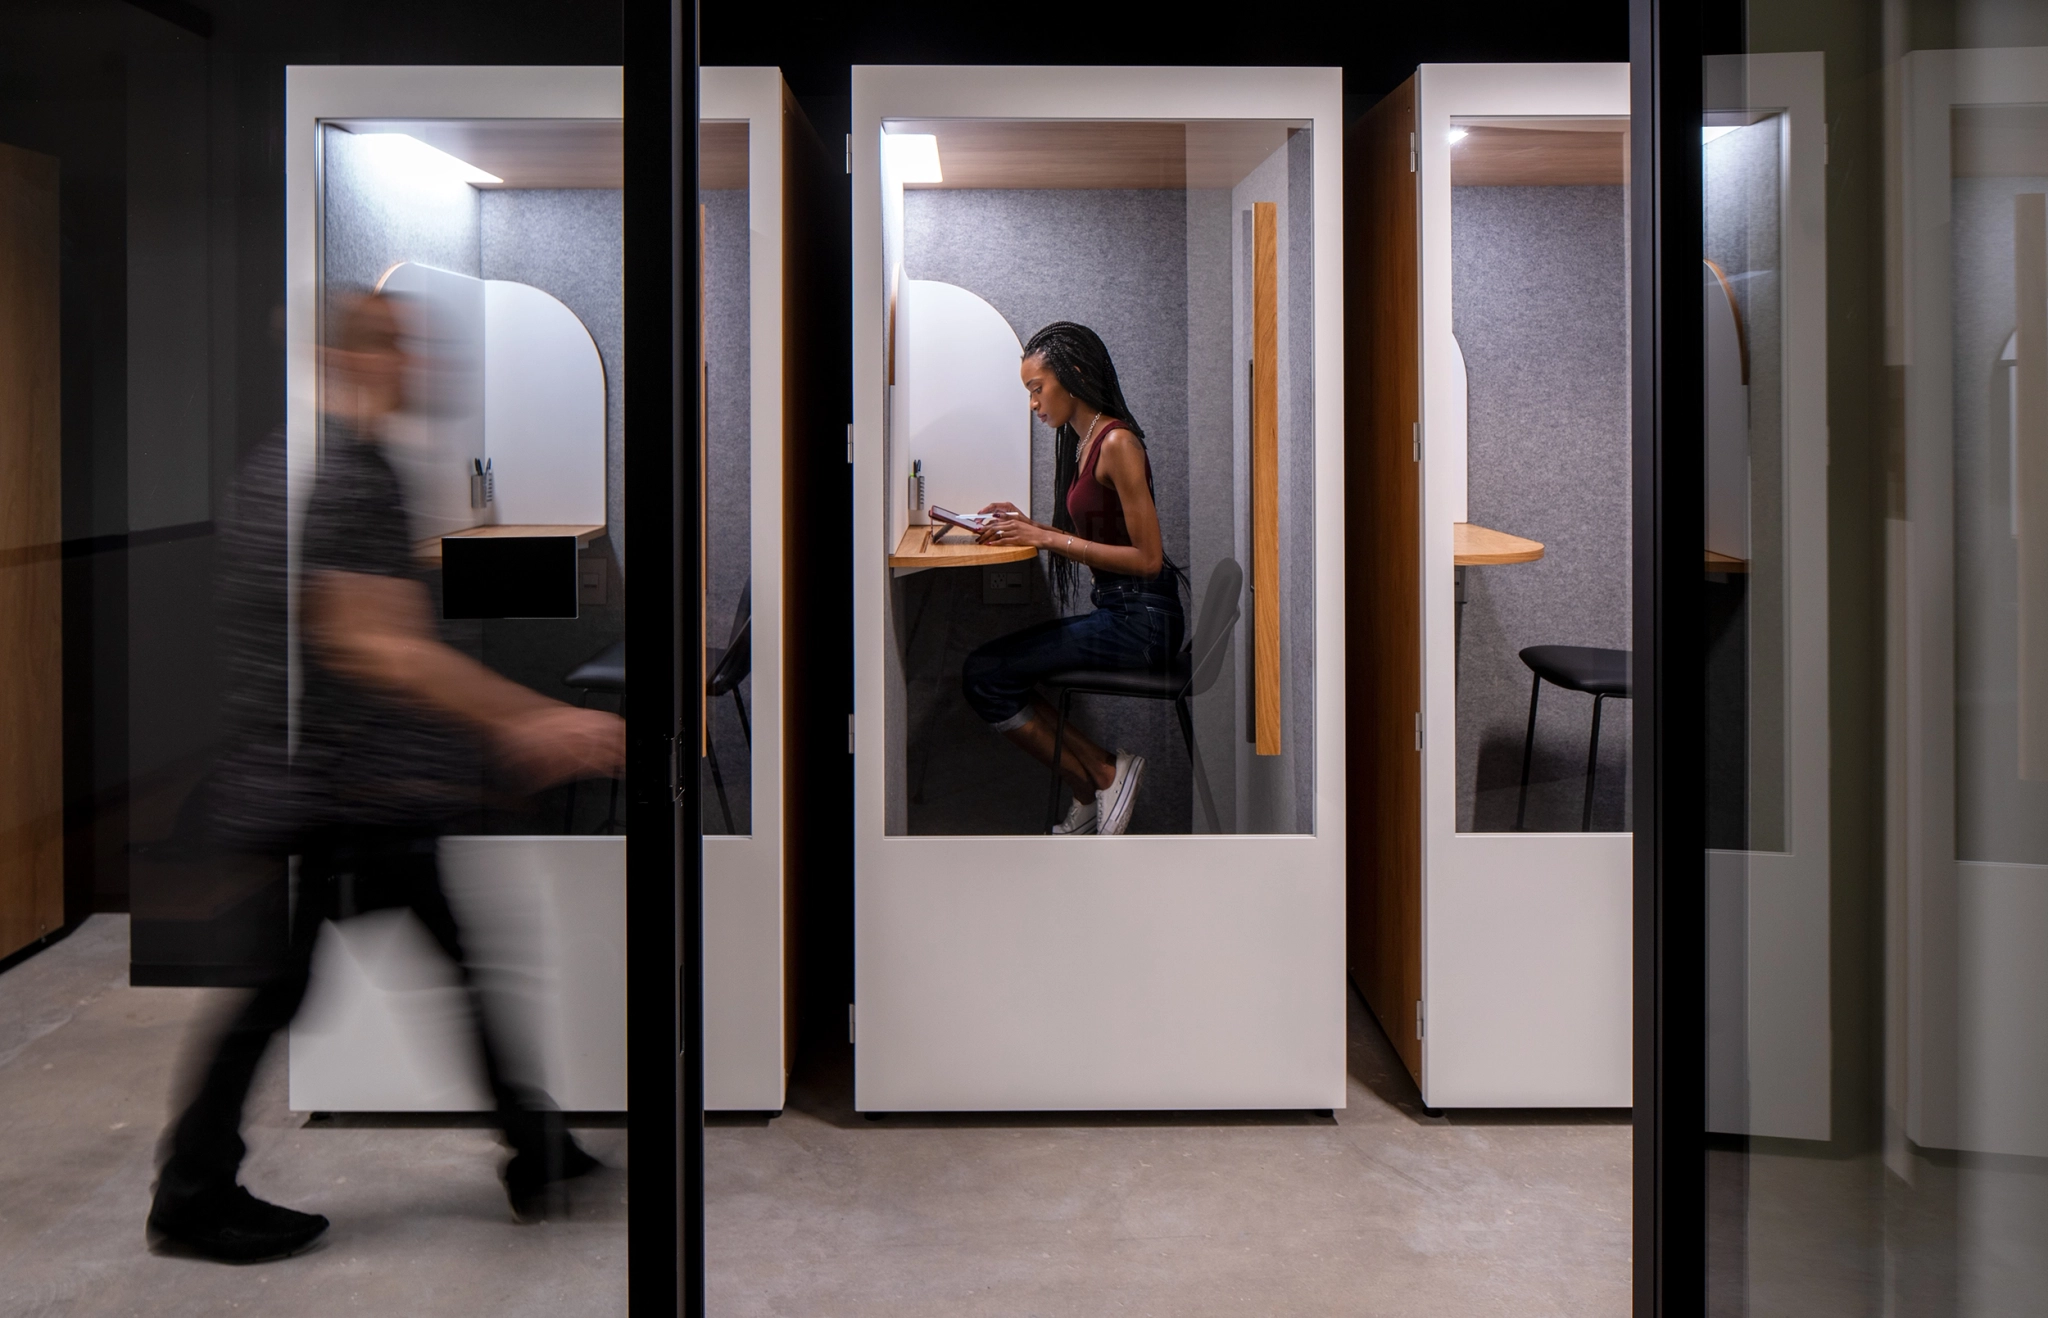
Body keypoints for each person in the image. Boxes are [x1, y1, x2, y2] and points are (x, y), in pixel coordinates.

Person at [146, 292, 627, 1263]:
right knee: (284, 989)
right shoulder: (344, 477)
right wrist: (529, 714)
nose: (416, 362)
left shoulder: (303, 467)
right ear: (342, 356)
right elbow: (381, 649)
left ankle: (533, 1147)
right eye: (394, 345)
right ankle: (189, 1192)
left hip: (351, 784)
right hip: (341, 791)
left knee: (423, 968)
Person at [961, 321, 1184, 837]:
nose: (1034, 404)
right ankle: (1093, 784)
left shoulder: (1118, 442)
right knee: (991, 673)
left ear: (1075, 375)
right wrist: (1032, 525)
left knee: (985, 675)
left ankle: (1105, 773)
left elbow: (1149, 560)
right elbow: (1099, 534)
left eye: (1037, 389)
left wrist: (1046, 540)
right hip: (1122, 613)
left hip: (1142, 625)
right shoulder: (1084, 442)